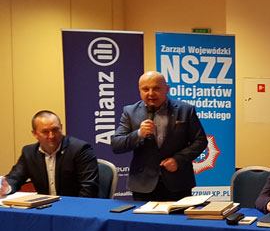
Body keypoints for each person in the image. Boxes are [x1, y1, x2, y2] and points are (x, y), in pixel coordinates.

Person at [111, 71, 207, 201]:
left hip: (178, 183)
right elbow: (116, 145)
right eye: (145, 89)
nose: (151, 93)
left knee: (178, 216)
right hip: (142, 185)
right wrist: (139, 134)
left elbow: (200, 141)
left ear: (166, 89)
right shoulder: (130, 111)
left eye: (156, 88)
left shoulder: (185, 110)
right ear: (139, 90)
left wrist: (178, 160)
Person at [0, 110, 99, 198]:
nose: (51, 136)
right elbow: (15, 177)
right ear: (35, 134)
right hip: (44, 207)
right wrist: (7, 188)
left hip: (74, 206)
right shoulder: (29, 153)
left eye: (55, 130)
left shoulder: (80, 149)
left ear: (61, 127)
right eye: (45, 132)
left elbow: (89, 188)